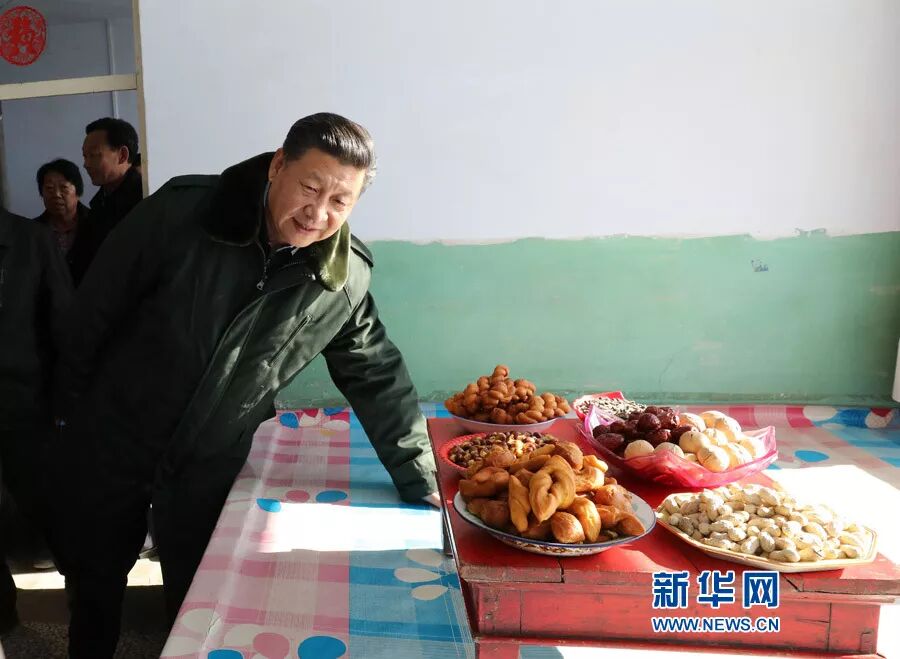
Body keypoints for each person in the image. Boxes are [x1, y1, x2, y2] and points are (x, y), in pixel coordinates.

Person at [54, 112, 439, 659]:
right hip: (117, 437)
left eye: (340, 201)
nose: (319, 213)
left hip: (209, 464)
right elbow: (94, 311)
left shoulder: (339, 279)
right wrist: (69, 420)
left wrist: (421, 476)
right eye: (310, 188)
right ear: (278, 165)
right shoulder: (182, 214)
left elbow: (376, 374)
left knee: (198, 602)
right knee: (94, 584)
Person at [0, 207, 72, 634]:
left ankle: (88, 603)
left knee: (49, 507)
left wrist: (65, 409)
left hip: (25, 405)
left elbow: (65, 326)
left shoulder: (32, 241)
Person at [79, 117, 143, 282]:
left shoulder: (146, 200)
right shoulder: (99, 202)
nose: (86, 164)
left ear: (122, 155)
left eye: (93, 155)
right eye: (85, 156)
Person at [34, 158, 92, 285]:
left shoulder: (96, 224)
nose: (56, 194)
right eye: (49, 188)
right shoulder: (33, 231)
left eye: (64, 187)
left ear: (78, 192)